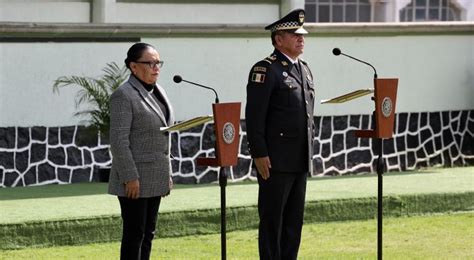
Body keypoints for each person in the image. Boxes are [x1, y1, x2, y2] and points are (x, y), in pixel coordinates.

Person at [245, 9, 315, 260]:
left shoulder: (304, 70)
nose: (301, 38)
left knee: (294, 222)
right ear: (278, 39)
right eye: (294, 34)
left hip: (299, 159)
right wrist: (260, 153)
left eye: (302, 34)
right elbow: (254, 117)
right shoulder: (265, 69)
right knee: (273, 221)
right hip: (275, 161)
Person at [108, 42, 175, 260]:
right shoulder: (123, 95)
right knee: (134, 234)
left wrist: (168, 174)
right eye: (150, 63)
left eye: (158, 63)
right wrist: (129, 177)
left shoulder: (159, 91)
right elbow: (118, 141)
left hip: (156, 175)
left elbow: (163, 135)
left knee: (148, 234)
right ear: (133, 66)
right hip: (134, 178)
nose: (156, 67)